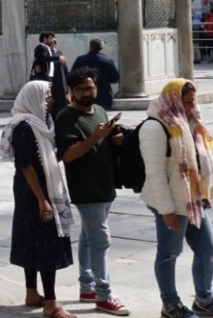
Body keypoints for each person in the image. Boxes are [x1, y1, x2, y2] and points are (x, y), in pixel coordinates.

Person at [141, 80, 213, 318]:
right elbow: (155, 174)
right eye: (186, 102)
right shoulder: (155, 126)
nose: (191, 106)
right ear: (172, 100)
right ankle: (170, 305)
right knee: (169, 253)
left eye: (193, 100)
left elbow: (199, 162)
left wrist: (204, 192)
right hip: (171, 201)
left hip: (192, 200)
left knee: (208, 250)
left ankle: (204, 299)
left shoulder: (192, 123)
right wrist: (166, 210)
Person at [55, 68, 129, 315]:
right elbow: (67, 155)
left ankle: (87, 286)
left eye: (91, 88)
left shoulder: (98, 110)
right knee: (100, 239)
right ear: (71, 92)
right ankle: (104, 295)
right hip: (86, 187)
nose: (87, 93)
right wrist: (94, 138)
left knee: (89, 236)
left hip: (105, 183)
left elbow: (101, 141)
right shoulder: (66, 117)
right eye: (82, 89)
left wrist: (112, 138)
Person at [0, 80, 75, 318]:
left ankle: (32, 293)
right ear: (34, 99)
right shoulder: (25, 127)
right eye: (47, 97)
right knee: (46, 244)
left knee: (32, 241)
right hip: (33, 192)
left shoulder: (40, 123)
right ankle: (51, 304)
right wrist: (42, 200)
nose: (51, 100)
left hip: (35, 189)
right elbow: (25, 165)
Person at [72, 38, 122, 111]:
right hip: (103, 95)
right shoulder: (107, 61)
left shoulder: (80, 60)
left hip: (83, 94)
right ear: (101, 48)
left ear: (90, 47)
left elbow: (72, 76)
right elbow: (116, 78)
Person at [33, 33, 69, 115]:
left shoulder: (59, 53)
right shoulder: (44, 52)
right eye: (51, 41)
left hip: (60, 82)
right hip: (49, 81)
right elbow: (39, 60)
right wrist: (36, 67)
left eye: (54, 42)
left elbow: (65, 69)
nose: (52, 43)